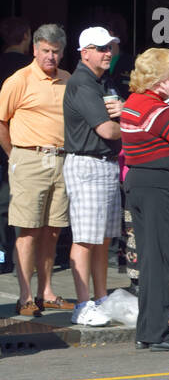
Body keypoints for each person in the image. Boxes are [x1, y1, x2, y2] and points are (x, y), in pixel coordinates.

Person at [119, 48, 169, 351]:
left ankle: (148, 330)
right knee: (164, 261)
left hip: (143, 184)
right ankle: (157, 332)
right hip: (159, 189)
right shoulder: (153, 108)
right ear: (161, 78)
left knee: (153, 260)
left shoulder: (134, 102)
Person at [0, 23, 76, 316]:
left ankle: (46, 292)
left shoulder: (68, 79)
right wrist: (14, 155)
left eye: (56, 52)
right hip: (30, 157)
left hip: (61, 159)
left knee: (53, 231)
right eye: (45, 51)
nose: (51, 57)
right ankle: (25, 296)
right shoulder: (19, 80)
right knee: (28, 230)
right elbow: (2, 121)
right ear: (34, 49)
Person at [62, 27, 124, 327]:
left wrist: (123, 114)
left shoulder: (103, 81)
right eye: (101, 48)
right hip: (88, 165)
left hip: (106, 164)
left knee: (103, 238)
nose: (107, 52)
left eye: (109, 47)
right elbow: (107, 129)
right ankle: (83, 304)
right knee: (86, 237)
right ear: (84, 52)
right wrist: (137, 125)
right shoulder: (83, 83)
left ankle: (101, 298)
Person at [0, 16, 31, 275]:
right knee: (18, 206)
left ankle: (1, 257)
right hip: (20, 143)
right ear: (27, 37)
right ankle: (16, 258)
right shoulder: (30, 70)